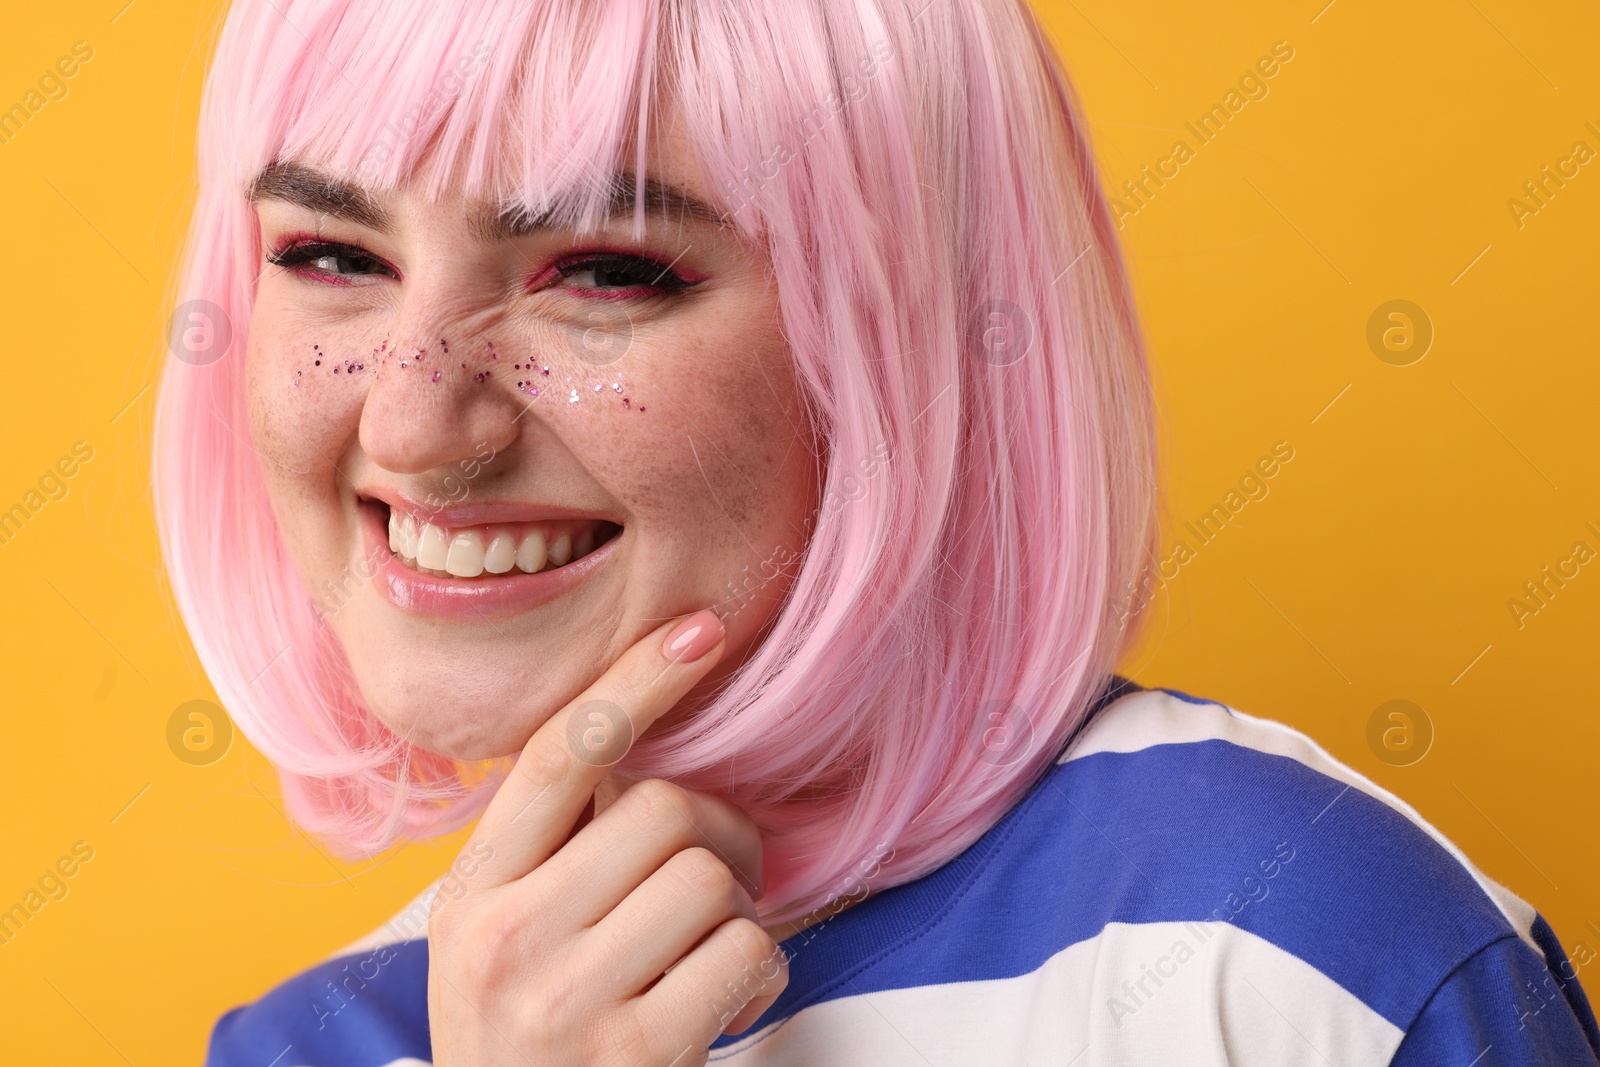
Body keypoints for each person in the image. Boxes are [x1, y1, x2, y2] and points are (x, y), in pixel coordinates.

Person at [153, 0, 1598, 1063]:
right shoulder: (305, 1046)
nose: (412, 428)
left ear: (902, 344)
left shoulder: (1293, 950)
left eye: (603, 272)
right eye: (333, 256)